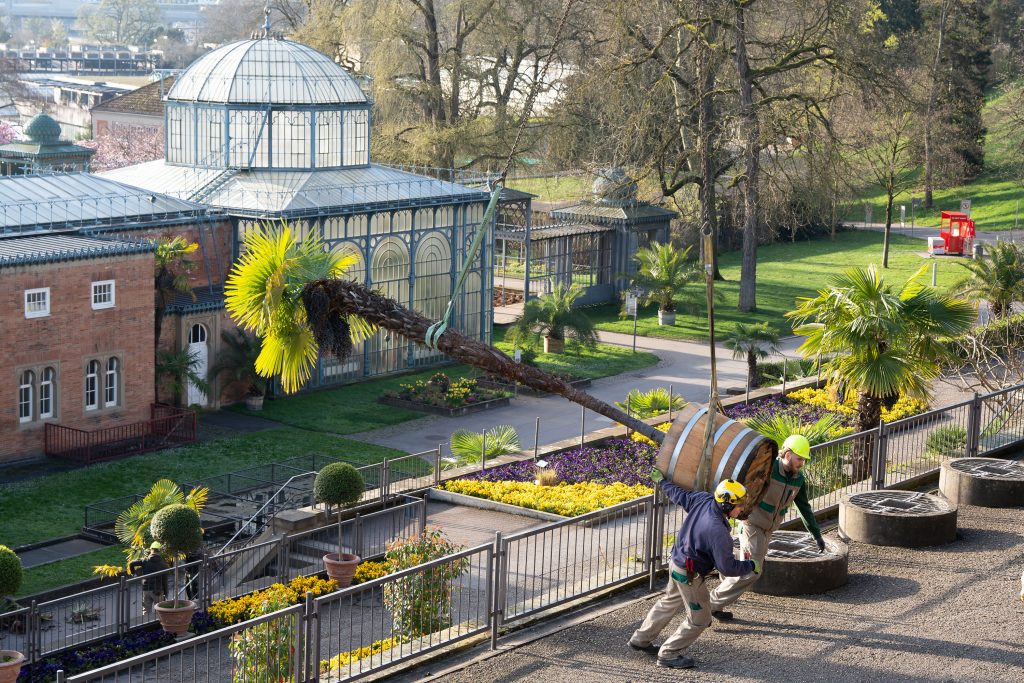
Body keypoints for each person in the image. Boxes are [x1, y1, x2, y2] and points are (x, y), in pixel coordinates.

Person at [628, 472, 759, 669]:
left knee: (669, 602)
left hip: (676, 562)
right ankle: (669, 654)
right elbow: (727, 567)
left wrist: (662, 481)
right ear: (726, 504)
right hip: (690, 575)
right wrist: (751, 566)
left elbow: (678, 494)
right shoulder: (718, 531)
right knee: (701, 619)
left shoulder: (703, 499)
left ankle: (640, 639)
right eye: (739, 505)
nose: (742, 509)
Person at [709, 433, 825, 622]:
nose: (802, 463)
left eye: (804, 460)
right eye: (799, 459)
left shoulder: (798, 479)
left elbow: (804, 507)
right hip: (752, 524)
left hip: (769, 530)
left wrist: (816, 534)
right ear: (787, 455)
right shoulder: (767, 470)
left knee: (745, 569)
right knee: (752, 570)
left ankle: (716, 603)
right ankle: (711, 604)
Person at [129, 542, 169, 616]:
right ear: (159, 551)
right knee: (160, 611)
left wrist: (133, 573)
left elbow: (131, 563)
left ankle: (146, 625)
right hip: (158, 591)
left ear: (151, 550)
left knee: (146, 611)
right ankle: (158, 625)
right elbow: (164, 580)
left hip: (146, 589)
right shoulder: (163, 565)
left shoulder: (145, 561)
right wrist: (166, 593)